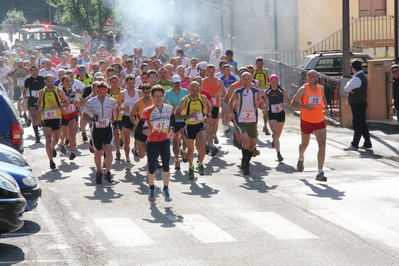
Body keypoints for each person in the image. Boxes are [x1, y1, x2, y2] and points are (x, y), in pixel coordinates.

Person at [290, 70, 329, 182]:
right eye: (313, 77)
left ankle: (320, 172)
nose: (315, 78)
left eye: (317, 76)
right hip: (306, 120)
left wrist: (325, 109)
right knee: (304, 144)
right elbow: (292, 103)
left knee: (322, 145)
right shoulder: (303, 89)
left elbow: (323, 99)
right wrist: (305, 107)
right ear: (307, 78)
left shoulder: (321, 88)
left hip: (319, 120)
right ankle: (301, 158)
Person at [139, 85, 175, 202]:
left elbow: (173, 120)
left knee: (166, 166)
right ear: (153, 97)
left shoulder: (169, 108)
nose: (159, 98)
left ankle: (166, 189)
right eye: (156, 96)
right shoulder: (147, 111)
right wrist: (144, 130)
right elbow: (138, 127)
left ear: (163, 96)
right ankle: (152, 188)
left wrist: (172, 130)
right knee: (152, 168)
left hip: (164, 140)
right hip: (152, 141)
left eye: (160, 96)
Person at [229, 72, 266, 175]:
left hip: (252, 121)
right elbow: (230, 101)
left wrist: (260, 105)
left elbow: (263, 106)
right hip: (241, 120)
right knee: (246, 142)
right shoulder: (238, 92)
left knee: (252, 145)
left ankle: (245, 161)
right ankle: (246, 165)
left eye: (248, 79)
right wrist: (231, 112)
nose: (246, 81)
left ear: (251, 80)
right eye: (244, 79)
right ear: (241, 80)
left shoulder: (256, 92)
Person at [83, 82, 118, 184]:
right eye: (101, 93)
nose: (103, 95)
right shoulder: (91, 102)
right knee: (98, 152)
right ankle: (98, 171)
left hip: (107, 128)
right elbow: (84, 115)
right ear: (97, 91)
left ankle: (108, 172)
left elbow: (116, 108)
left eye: (104, 92)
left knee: (108, 150)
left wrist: (114, 120)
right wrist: (91, 118)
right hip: (96, 130)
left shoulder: (111, 100)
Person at [175, 81, 210, 179]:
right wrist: (188, 116)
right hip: (189, 126)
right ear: (189, 89)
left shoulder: (202, 98)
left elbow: (208, 106)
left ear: (199, 89)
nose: (194, 92)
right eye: (192, 90)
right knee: (190, 150)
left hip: (200, 124)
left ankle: (200, 164)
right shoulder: (185, 100)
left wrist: (206, 114)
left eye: (196, 90)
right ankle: (191, 166)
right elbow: (177, 114)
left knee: (203, 144)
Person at [38, 74, 70, 169]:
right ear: (45, 82)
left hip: (56, 117)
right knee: (48, 138)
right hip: (46, 118)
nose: (51, 83)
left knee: (55, 139)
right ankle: (51, 160)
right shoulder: (41, 92)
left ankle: (53, 147)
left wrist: (59, 106)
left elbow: (67, 102)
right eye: (49, 82)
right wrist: (40, 109)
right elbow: (39, 104)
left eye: (52, 82)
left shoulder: (58, 91)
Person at [343, 60, 372, 151]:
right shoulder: (362, 76)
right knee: (362, 124)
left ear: (353, 68)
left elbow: (346, 88)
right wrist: (350, 89)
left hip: (357, 103)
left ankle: (355, 144)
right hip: (361, 102)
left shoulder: (356, 78)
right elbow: (348, 88)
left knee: (357, 124)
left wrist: (350, 89)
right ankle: (367, 143)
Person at [163, 75, 189, 170]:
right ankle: (177, 160)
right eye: (175, 82)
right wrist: (171, 107)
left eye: (178, 82)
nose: (177, 84)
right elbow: (163, 103)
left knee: (185, 137)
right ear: (172, 83)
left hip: (183, 118)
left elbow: (188, 101)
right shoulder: (168, 93)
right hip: (173, 119)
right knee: (176, 141)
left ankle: (184, 150)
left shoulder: (185, 91)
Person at [264, 74, 291, 162]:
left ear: (277, 82)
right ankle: (278, 154)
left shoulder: (282, 90)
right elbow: (264, 102)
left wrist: (285, 105)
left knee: (278, 135)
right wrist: (264, 109)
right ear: (269, 83)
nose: (274, 83)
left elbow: (290, 100)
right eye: (272, 82)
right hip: (271, 114)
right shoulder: (267, 92)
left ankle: (274, 139)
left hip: (281, 114)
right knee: (275, 133)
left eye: (275, 81)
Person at [118, 75, 141, 170]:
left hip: (136, 118)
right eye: (129, 83)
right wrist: (124, 108)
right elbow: (117, 107)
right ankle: (127, 159)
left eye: (132, 83)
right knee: (127, 141)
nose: (131, 85)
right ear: (126, 83)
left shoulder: (139, 93)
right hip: (126, 118)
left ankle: (135, 150)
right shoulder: (122, 94)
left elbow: (143, 105)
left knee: (138, 139)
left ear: (135, 83)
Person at [201, 64, 225, 156]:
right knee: (209, 126)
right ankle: (210, 144)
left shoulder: (218, 81)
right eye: (209, 72)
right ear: (206, 72)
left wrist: (218, 96)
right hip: (206, 105)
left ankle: (209, 142)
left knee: (213, 126)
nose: (211, 74)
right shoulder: (203, 81)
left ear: (215, 71)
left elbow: (224, 93)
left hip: (215, 105)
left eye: (212, 72)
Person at [130, 83, 154, 162]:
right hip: (141, 128)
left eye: (149, 92)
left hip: (152, 128)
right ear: (142, 92)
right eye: (145, 93)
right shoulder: (138, 103)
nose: (147, 94)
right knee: (142, 155)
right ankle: (135, 150)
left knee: (152, 149)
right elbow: (131, 115)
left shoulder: (154, 101)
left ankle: (151, 166)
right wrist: (135, 125)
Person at [59, 75, 81, 160]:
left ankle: (71, 152)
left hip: (72, 113)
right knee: (64, 134)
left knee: (72, 133)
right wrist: (61, 108)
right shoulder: (59, 92)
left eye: (69, 80)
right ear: (62, 83)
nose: (68, 82)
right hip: (63, 114)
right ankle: (62, 143)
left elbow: (76, 101)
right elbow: (57, 103)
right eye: (66, 81)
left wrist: (80, 110)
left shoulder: (74, 91)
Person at [22, 65, 45, 143]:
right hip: (32, 99)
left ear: (38, 71)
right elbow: (24, 90)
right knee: (34, 117)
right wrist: (24, 97)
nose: (34, 72)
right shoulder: (28, 79)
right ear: (30, 72)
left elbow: (47, 87)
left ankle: (38, 124)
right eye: (32, 70)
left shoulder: (42, 78)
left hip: (41, 99)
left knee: (40, 117)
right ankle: (37, 136)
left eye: (36, 70)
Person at [253, 57, 271, 135]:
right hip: (255, 92)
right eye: (258, 64)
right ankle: (255, 128)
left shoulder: (265, 71)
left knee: (265, 110)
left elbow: (268, 81)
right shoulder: (253, 71)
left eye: (261, 64)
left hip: (263, 91)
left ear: (263, 64)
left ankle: (265, 126)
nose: (259, 65)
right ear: (255, 64)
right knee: (254, 110)